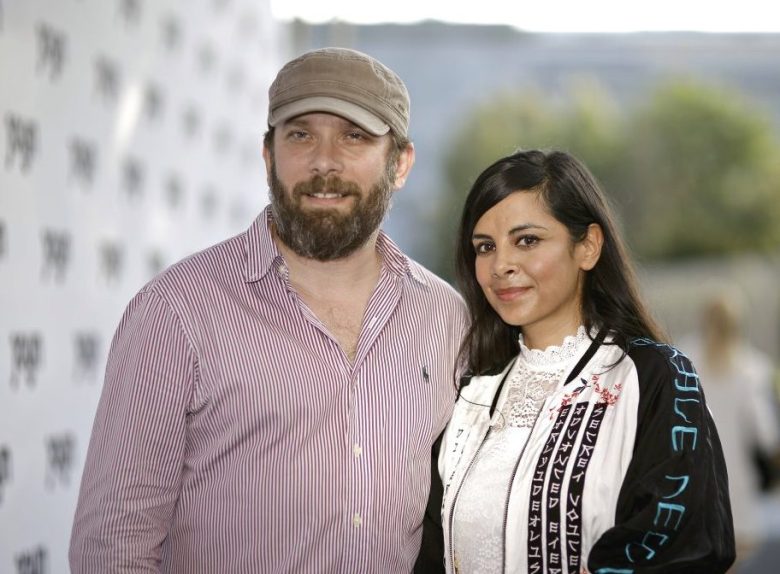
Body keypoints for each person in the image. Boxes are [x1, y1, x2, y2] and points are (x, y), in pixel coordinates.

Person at [69, 47, 467, 573]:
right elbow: (113, 547)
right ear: (268, 156)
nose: (324, 161)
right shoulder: (175, 312)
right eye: (300, 135)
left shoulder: (444, 316)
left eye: (354, 136)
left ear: (401, 164)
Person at [432, 149, 735, 573]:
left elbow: (687, 545)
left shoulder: (654, 378)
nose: (501, 265)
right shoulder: (470, 398)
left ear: (588, 246)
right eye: (485, 247)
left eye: (527, 240)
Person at [681, 293, 780, 562]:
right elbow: (766, 435)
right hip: (736, 488)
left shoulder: (684, 358)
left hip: (692, 482)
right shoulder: (752, 368)